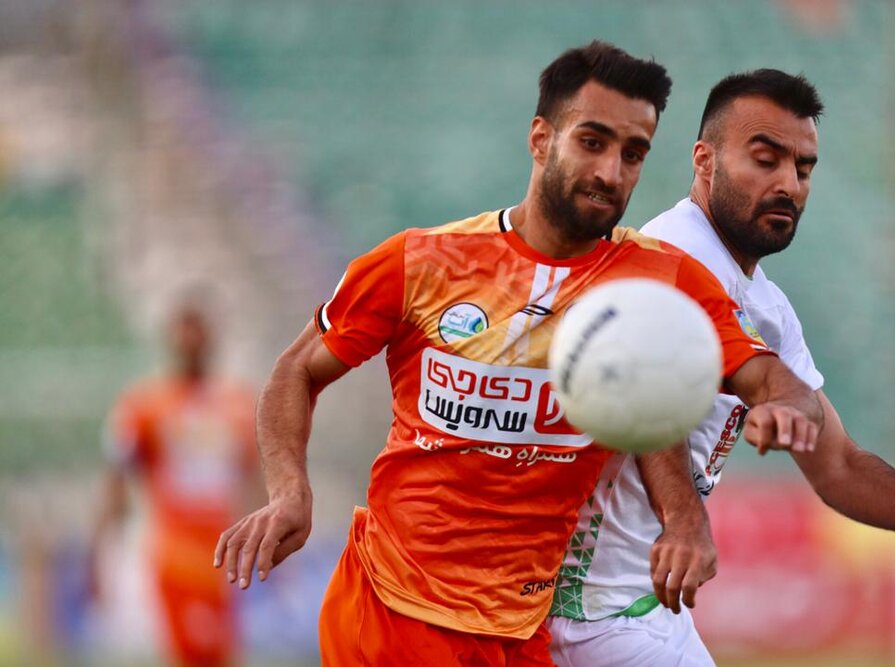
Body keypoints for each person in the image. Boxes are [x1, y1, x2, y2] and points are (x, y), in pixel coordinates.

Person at [214, 43, 825, 666]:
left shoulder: (659, 284)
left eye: (632, 153)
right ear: (540, 139)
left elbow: (771, 378)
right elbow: (297, 370)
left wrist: (779, 410)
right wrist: (288, 492)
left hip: (518, 630)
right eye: (592, 142)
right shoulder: (422, 262)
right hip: (391, 613)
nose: (611, 172)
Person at [546, 68, 895, 667]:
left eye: (803, 168)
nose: (788, 183)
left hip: (650, 607)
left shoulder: (767, 307)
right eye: (765, 160)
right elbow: (642, 395)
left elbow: (838, 465)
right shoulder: (665, 257)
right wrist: (684, 518)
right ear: (704, 161)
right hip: (586, 614)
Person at [89, 299, 260, 666]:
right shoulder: (144, 405)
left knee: (221, 655)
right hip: (174, 555)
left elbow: (255, 477)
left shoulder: (239, 405)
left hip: (223, 558)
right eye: (184, 333)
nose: (191, 342)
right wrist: (104, 549)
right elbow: (116, 477)